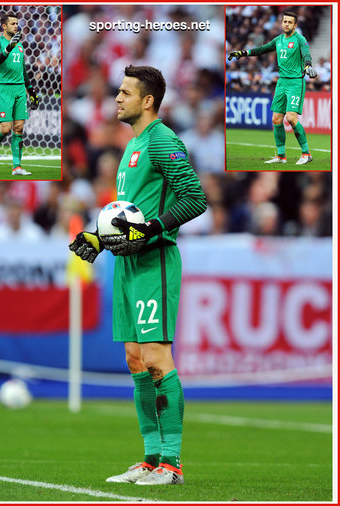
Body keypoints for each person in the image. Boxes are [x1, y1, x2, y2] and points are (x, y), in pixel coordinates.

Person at [69, 65, 207, 485]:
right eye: (118, 91)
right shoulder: (133, 146)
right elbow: (126, 213)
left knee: (156, 357)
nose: (118, 98)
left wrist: (151, 229)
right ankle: (150, 457)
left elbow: (195, 198)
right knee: (134, 359)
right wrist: (96, 237)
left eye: (126, 92)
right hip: (126, 263)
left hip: (155, 260)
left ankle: (172, 463)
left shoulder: (164, 141)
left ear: (148, 100)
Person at [228, 10, 317, 165]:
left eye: (290, 22)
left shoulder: (300, 39)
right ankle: (281, 156)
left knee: (291, 117)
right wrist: (242, 53)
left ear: (295, 25)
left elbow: (306, 54)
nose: (287, 24)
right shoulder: (278, 40)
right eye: (285, 21)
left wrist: (308, 65)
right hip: (282, 82)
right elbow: (261, 49)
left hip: (295, 82)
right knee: (276, 119)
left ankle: (306, 153)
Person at [0, 12, 39, 176]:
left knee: (19, 128)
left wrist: (31, 90)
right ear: (4, 26)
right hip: (5, 88)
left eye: (17, 23)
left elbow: (22, 69)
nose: (16, 26)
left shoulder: (20, 45)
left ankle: (16, 167)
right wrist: (8, 47)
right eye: (12, 23)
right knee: (5, 128)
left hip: (20, 88)